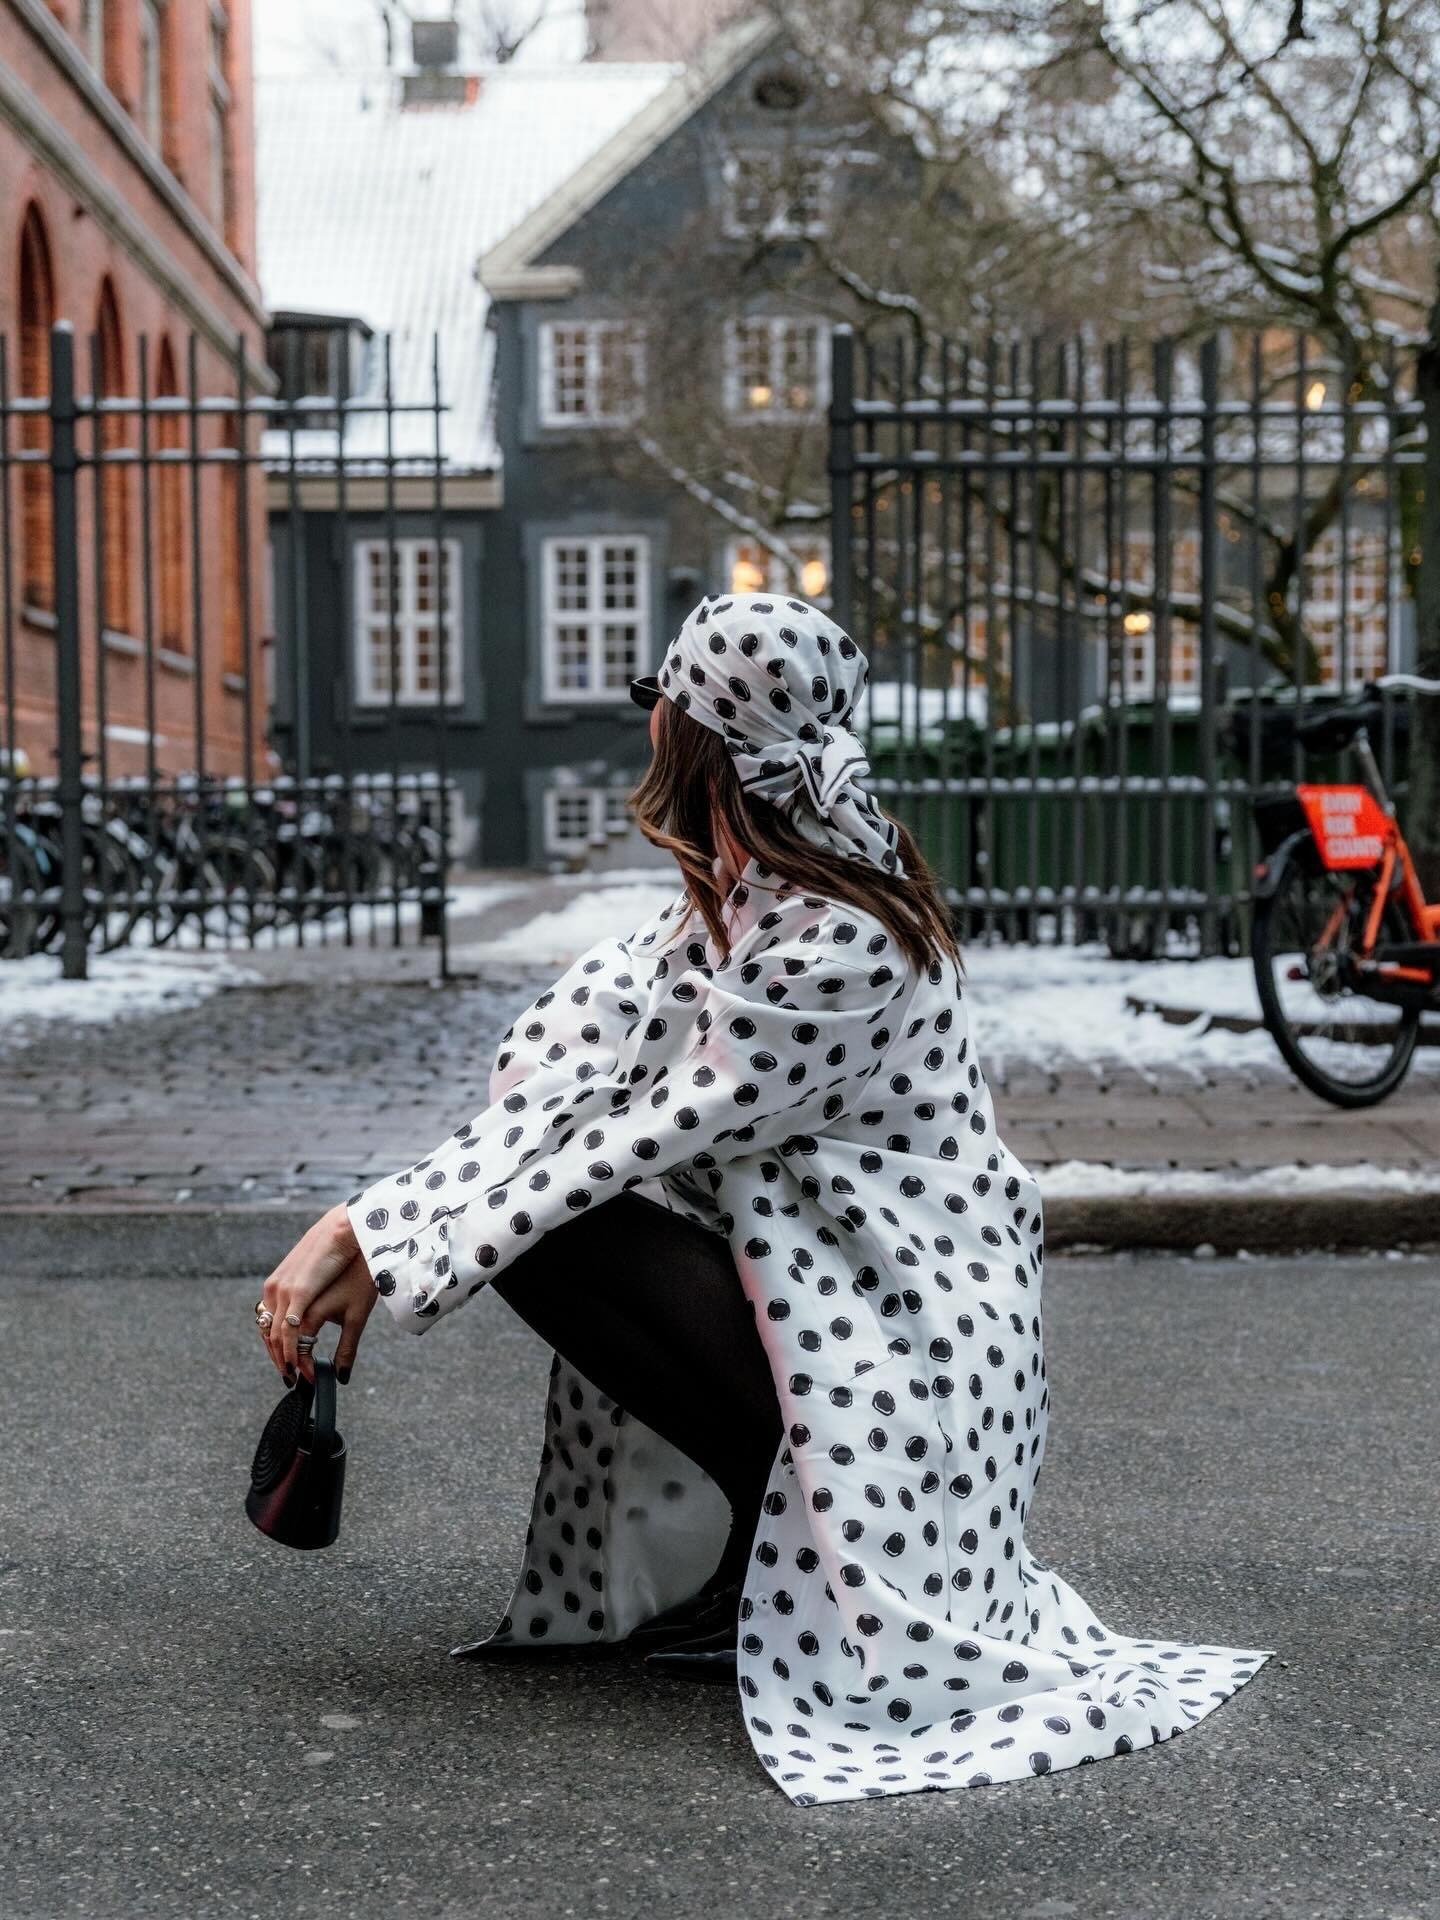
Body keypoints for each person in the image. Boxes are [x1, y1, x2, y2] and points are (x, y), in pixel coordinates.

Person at [254, 592, 1273, 1808]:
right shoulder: (738, 897)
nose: (646, 728)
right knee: (541, 1216)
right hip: (832, 1302)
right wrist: (364, 1228)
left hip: (909, 1355)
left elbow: (637, 1133)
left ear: (698, 737)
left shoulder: (838, 934)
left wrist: (395, 1246)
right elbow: (556, 1084)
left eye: (659, 705)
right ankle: (761, 1538)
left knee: (557, 1225)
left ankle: (785, 1550)